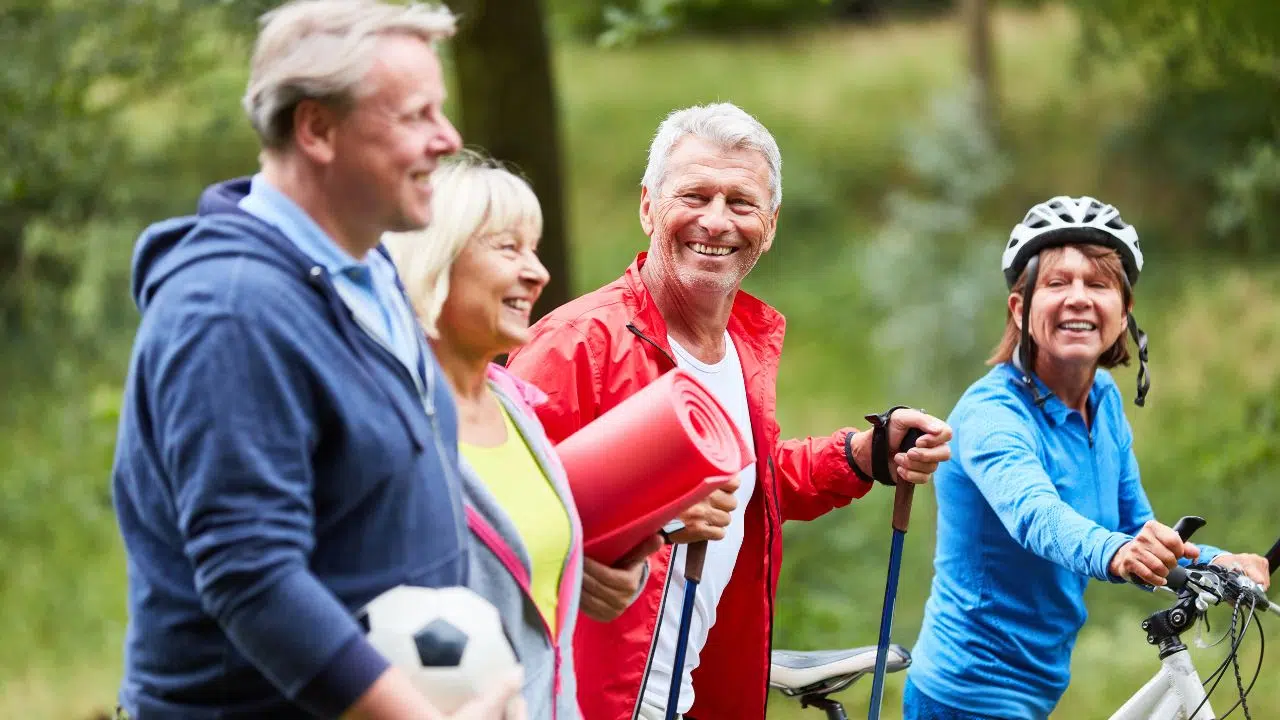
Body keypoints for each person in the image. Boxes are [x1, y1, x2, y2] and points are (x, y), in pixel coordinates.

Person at [110, 2, 521, 718]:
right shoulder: (232, 312)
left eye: (442, 112)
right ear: (317, 129)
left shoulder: (368, 269)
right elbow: (252, 577)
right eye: (416, 115)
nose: (448, 139)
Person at [504, 102, 953, 720]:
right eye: (694, 195)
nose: (716, 222)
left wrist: (863, 455)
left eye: (741, 203)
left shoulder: (742, 346)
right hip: (587, 694)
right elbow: (490, 515)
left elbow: (748, 484)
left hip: (691, 691)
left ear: (768, 226)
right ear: (647, 206)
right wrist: (641, 527)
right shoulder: (579, 344)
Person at [904, 196, 1273, 720]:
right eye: (1057, 283)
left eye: (1098, 284)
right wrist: (1117, 554)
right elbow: (1037, 515)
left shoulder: (1104, 400)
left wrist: (1220, 561)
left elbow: (1134, 525)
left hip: (1038, 686)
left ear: (1123, 313)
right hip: (967, 694)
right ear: (1020, 309)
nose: (1078, 298)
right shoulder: (990, 414)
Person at [383, 151, 660, 718]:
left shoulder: (516, 404)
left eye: (533, 250)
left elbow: (524, 581)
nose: (538, 272)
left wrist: (592, 570)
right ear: (435, 256)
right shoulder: (382, 419)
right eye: (508, 248)